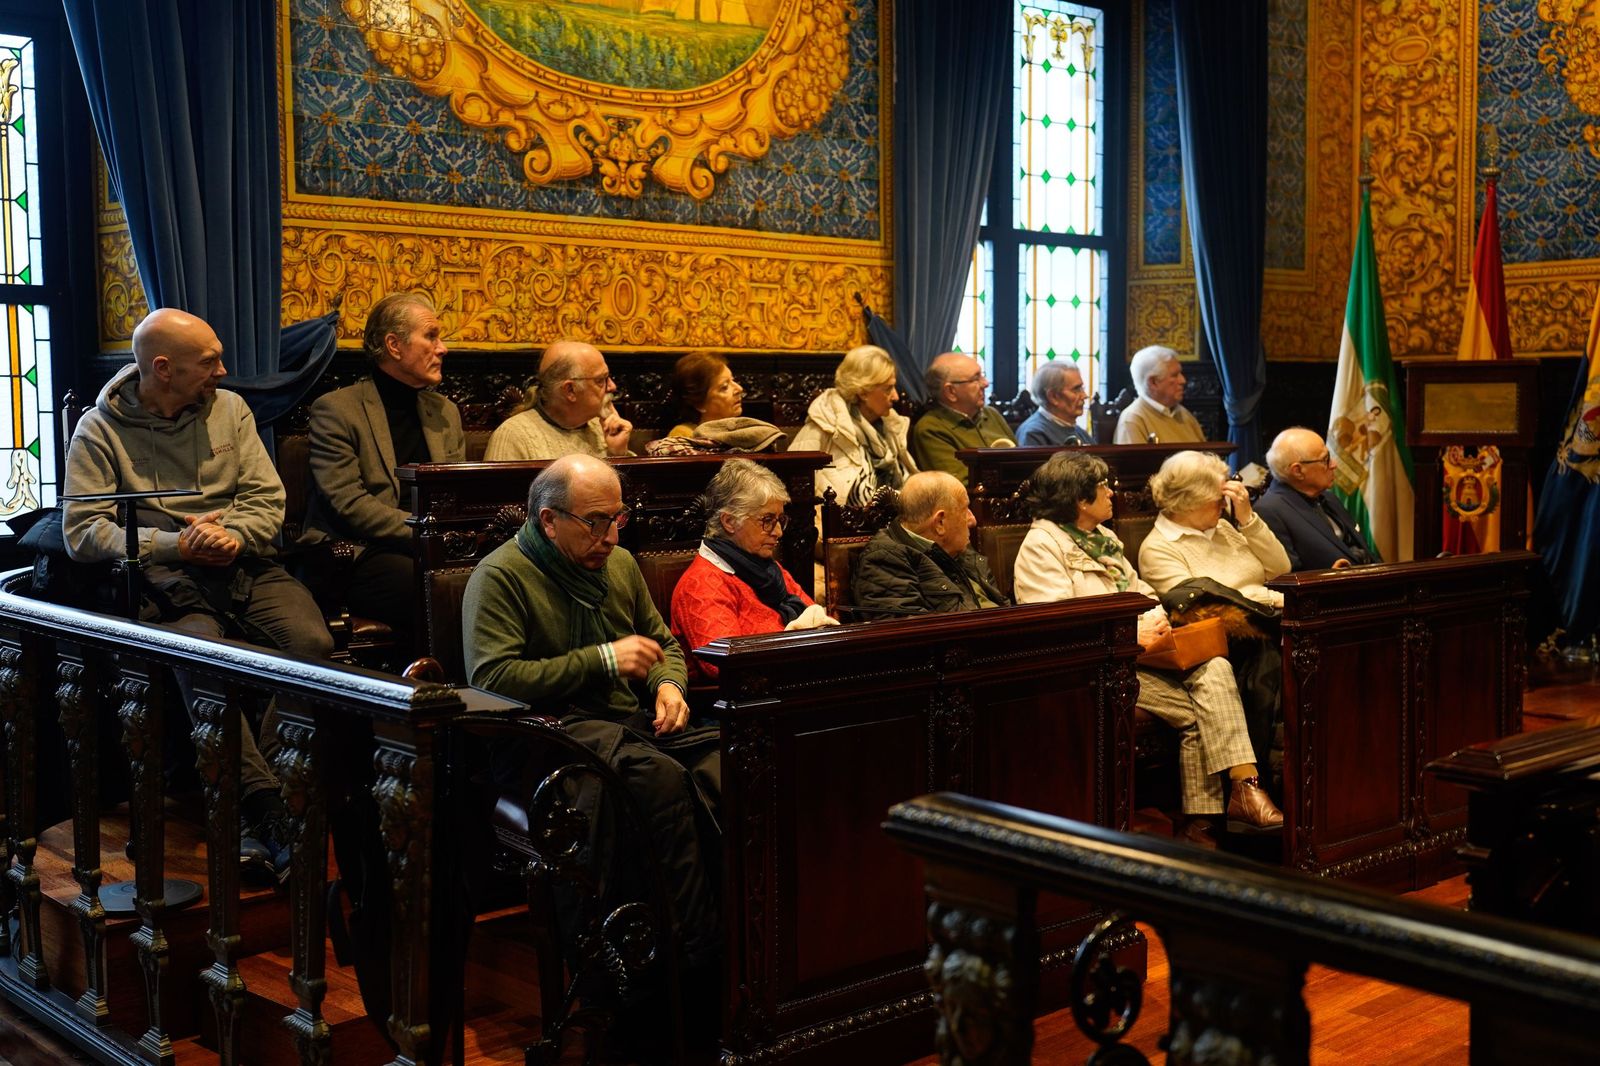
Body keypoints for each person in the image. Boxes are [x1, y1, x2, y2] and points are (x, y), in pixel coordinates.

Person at [63, 307, 335, 881]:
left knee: (311, 645)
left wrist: (230, 535)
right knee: (205, 660)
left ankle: (261, 811)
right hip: (165, 578)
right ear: (163, 368)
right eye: (209, 361)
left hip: (245, 565)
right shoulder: (100, 428)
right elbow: (84, 531)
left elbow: (269, 502)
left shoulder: (231, 410)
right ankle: (262, 809)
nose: (223, 369)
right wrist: (174, 546)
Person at [461, 454, 721, 973]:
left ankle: (728, 939)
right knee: (655, 780)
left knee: (725, 763)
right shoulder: (499, 576)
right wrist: (603, 660)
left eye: (617, 519)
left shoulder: (619, 566)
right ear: (548, 521)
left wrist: (668, 685)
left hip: (626, 728)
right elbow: (491, 682)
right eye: (595, 522)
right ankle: (665, 961)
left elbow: (662, 644)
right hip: (546, 737)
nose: (611, 538)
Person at [1011, 452, 1282, 845]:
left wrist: (1156, 618)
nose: (1111, 493)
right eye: (1102, 487)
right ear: (1079, 500)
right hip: (1093, 667)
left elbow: (1142, 592)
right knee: (1197, 712)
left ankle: (1240, 791)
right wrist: (1127, 634)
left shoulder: (1102, 538)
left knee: (1214, 665)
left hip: (1139, 656)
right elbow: (1057, 625)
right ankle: (1208, 822)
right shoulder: (1041, 546)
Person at [300, 293, 466, 652]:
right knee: (429, 586)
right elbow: (348, 503)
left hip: (432, 545)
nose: (443, 348)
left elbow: (454, 493)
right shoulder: (338, 409)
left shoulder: (445, 412)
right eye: (432, 336)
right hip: (356, 553)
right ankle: (431, 690)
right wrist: (424, 532)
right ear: (394, 345)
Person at [670, 459, 837, 681]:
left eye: (780, 520)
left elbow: (817, 621)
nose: (778, 532)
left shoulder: (768, 568)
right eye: (767, 520)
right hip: (738, 707)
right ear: (729, 522)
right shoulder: (701, 585)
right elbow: (724, 666)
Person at [1139, 450, 1293, 608]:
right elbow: (1203, 605)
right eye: (1218, 498)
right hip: (1235, 628)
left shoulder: (1223, 527)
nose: (1225, 504)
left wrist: (1248, 520)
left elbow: (1281, 570)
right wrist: (1270, 598)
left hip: (1274, 614)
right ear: (1190, 502)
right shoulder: (1156, 550)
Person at [851, 471, 1009, 618]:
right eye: (965, 510)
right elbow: (914, 638)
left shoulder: (956, 548)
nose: (972, 520)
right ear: (940, 522)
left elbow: (1004, 609)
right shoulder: (883, 562)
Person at [790, 344, 917, 505]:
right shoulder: (825, 424)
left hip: (896, 518)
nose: (896, 397)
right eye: (888, 389)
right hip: (842, 525)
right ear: (863, 392)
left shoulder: (891, 425)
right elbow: (794, 484)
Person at [483, 340, 633, 460]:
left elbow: (632, 494)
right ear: (570, 390)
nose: (612, 386)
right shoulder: (513, 436)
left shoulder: (603, 428)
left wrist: (618, 454)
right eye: (601, 380)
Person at [1256, 427, 1375, 571]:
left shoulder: (1329, 498)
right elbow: (1287, 577)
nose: (1334, 464)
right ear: (1298, 471)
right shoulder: (1269, 511)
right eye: (1325, 460)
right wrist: (1327, 577)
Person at [910, 352, 1017, 482]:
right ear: (951, 392)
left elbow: (1022, 460)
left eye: (982, 375)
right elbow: (961, 484)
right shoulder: (930, 428)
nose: (986, 383)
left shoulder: (991, 414)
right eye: (976, 379)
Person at [1113, 345, 1206, 445]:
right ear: (1153, 382)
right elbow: (1135, 460)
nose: (1183, 380)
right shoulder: (1133, 420)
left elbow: (1206, 455)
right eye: (1174, 375)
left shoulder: (1184, 414)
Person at [666, 352, 745, 437]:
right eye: (724, 387)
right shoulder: (684, 435)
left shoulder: (744, 430)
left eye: (733, 380)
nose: (739, 389)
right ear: (699, 404)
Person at [1016, 361, 1092, 447]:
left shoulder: (1079, 432)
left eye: (1082, 389)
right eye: (1076, 389)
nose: (1084, 396)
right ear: (1053, 397)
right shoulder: (1033, 434)